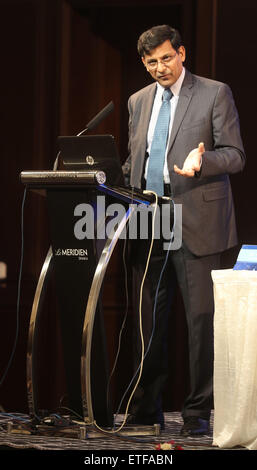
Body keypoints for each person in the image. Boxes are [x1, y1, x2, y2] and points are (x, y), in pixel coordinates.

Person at [122, 25, 245, 436]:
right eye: (152, 62)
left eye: (167, 58)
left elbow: (235, 155)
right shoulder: (137, 101)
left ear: (182, 53)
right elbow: (135, 161)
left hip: (198, 220)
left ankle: (197, 414)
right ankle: (145, 410)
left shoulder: (214, 92)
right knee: (147, 321)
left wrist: (202, 163)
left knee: (200, 323)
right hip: (149, 221)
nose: (161, 68)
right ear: (144, 63)